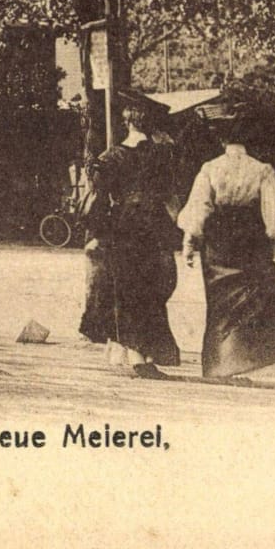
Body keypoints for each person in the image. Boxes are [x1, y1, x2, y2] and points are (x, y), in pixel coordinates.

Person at [177, 134, 275, 383]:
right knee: (253, 299)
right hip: (250, 239)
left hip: (218, 241)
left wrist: (189, 242)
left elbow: (199, 209)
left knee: (220, 303)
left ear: (223, 143)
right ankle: (252, 362)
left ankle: (222, 363)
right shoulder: (261, 170)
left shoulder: (210, 168)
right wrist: (274, 238)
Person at [79, 129, 183, 379]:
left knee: (129, 289)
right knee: (154, 289)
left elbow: (98, 200)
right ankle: (143, 355)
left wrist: (96, 234)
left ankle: (138, 355)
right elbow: (171, 199)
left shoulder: (111, 157)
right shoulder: (160, 156)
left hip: (124, 228)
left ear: (127, 123)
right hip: (155, 229)